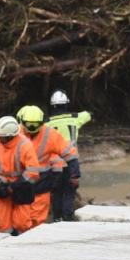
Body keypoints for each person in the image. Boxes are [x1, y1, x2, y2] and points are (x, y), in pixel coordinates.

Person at [17, 105, 77, 227]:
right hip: (21, 182)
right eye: (29, 124)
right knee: (21, 220)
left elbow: (69, 153)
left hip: (42, 183)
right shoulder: (15, 133)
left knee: (37, 221)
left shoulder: (50, 134)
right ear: (22, 122)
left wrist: (75, 174)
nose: (32, 128)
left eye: (35, 124)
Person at [0, 116, 41, 234]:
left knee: (22, 223)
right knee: (2, 225)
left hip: (21, 187)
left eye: (1, 136)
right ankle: (2, 248)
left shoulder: (25, 145)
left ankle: (22, 246)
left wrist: (13, 187)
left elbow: (33, 172)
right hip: (2, 187)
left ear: (10, 136)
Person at [47, 90, 89, 221]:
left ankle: (56, 217)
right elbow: (87, 115)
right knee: (69, 192)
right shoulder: (75, 118)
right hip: (72, 162)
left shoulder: (46, 123)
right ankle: (67, 218)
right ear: (66, 104)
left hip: (54, 164)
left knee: (56, 192)